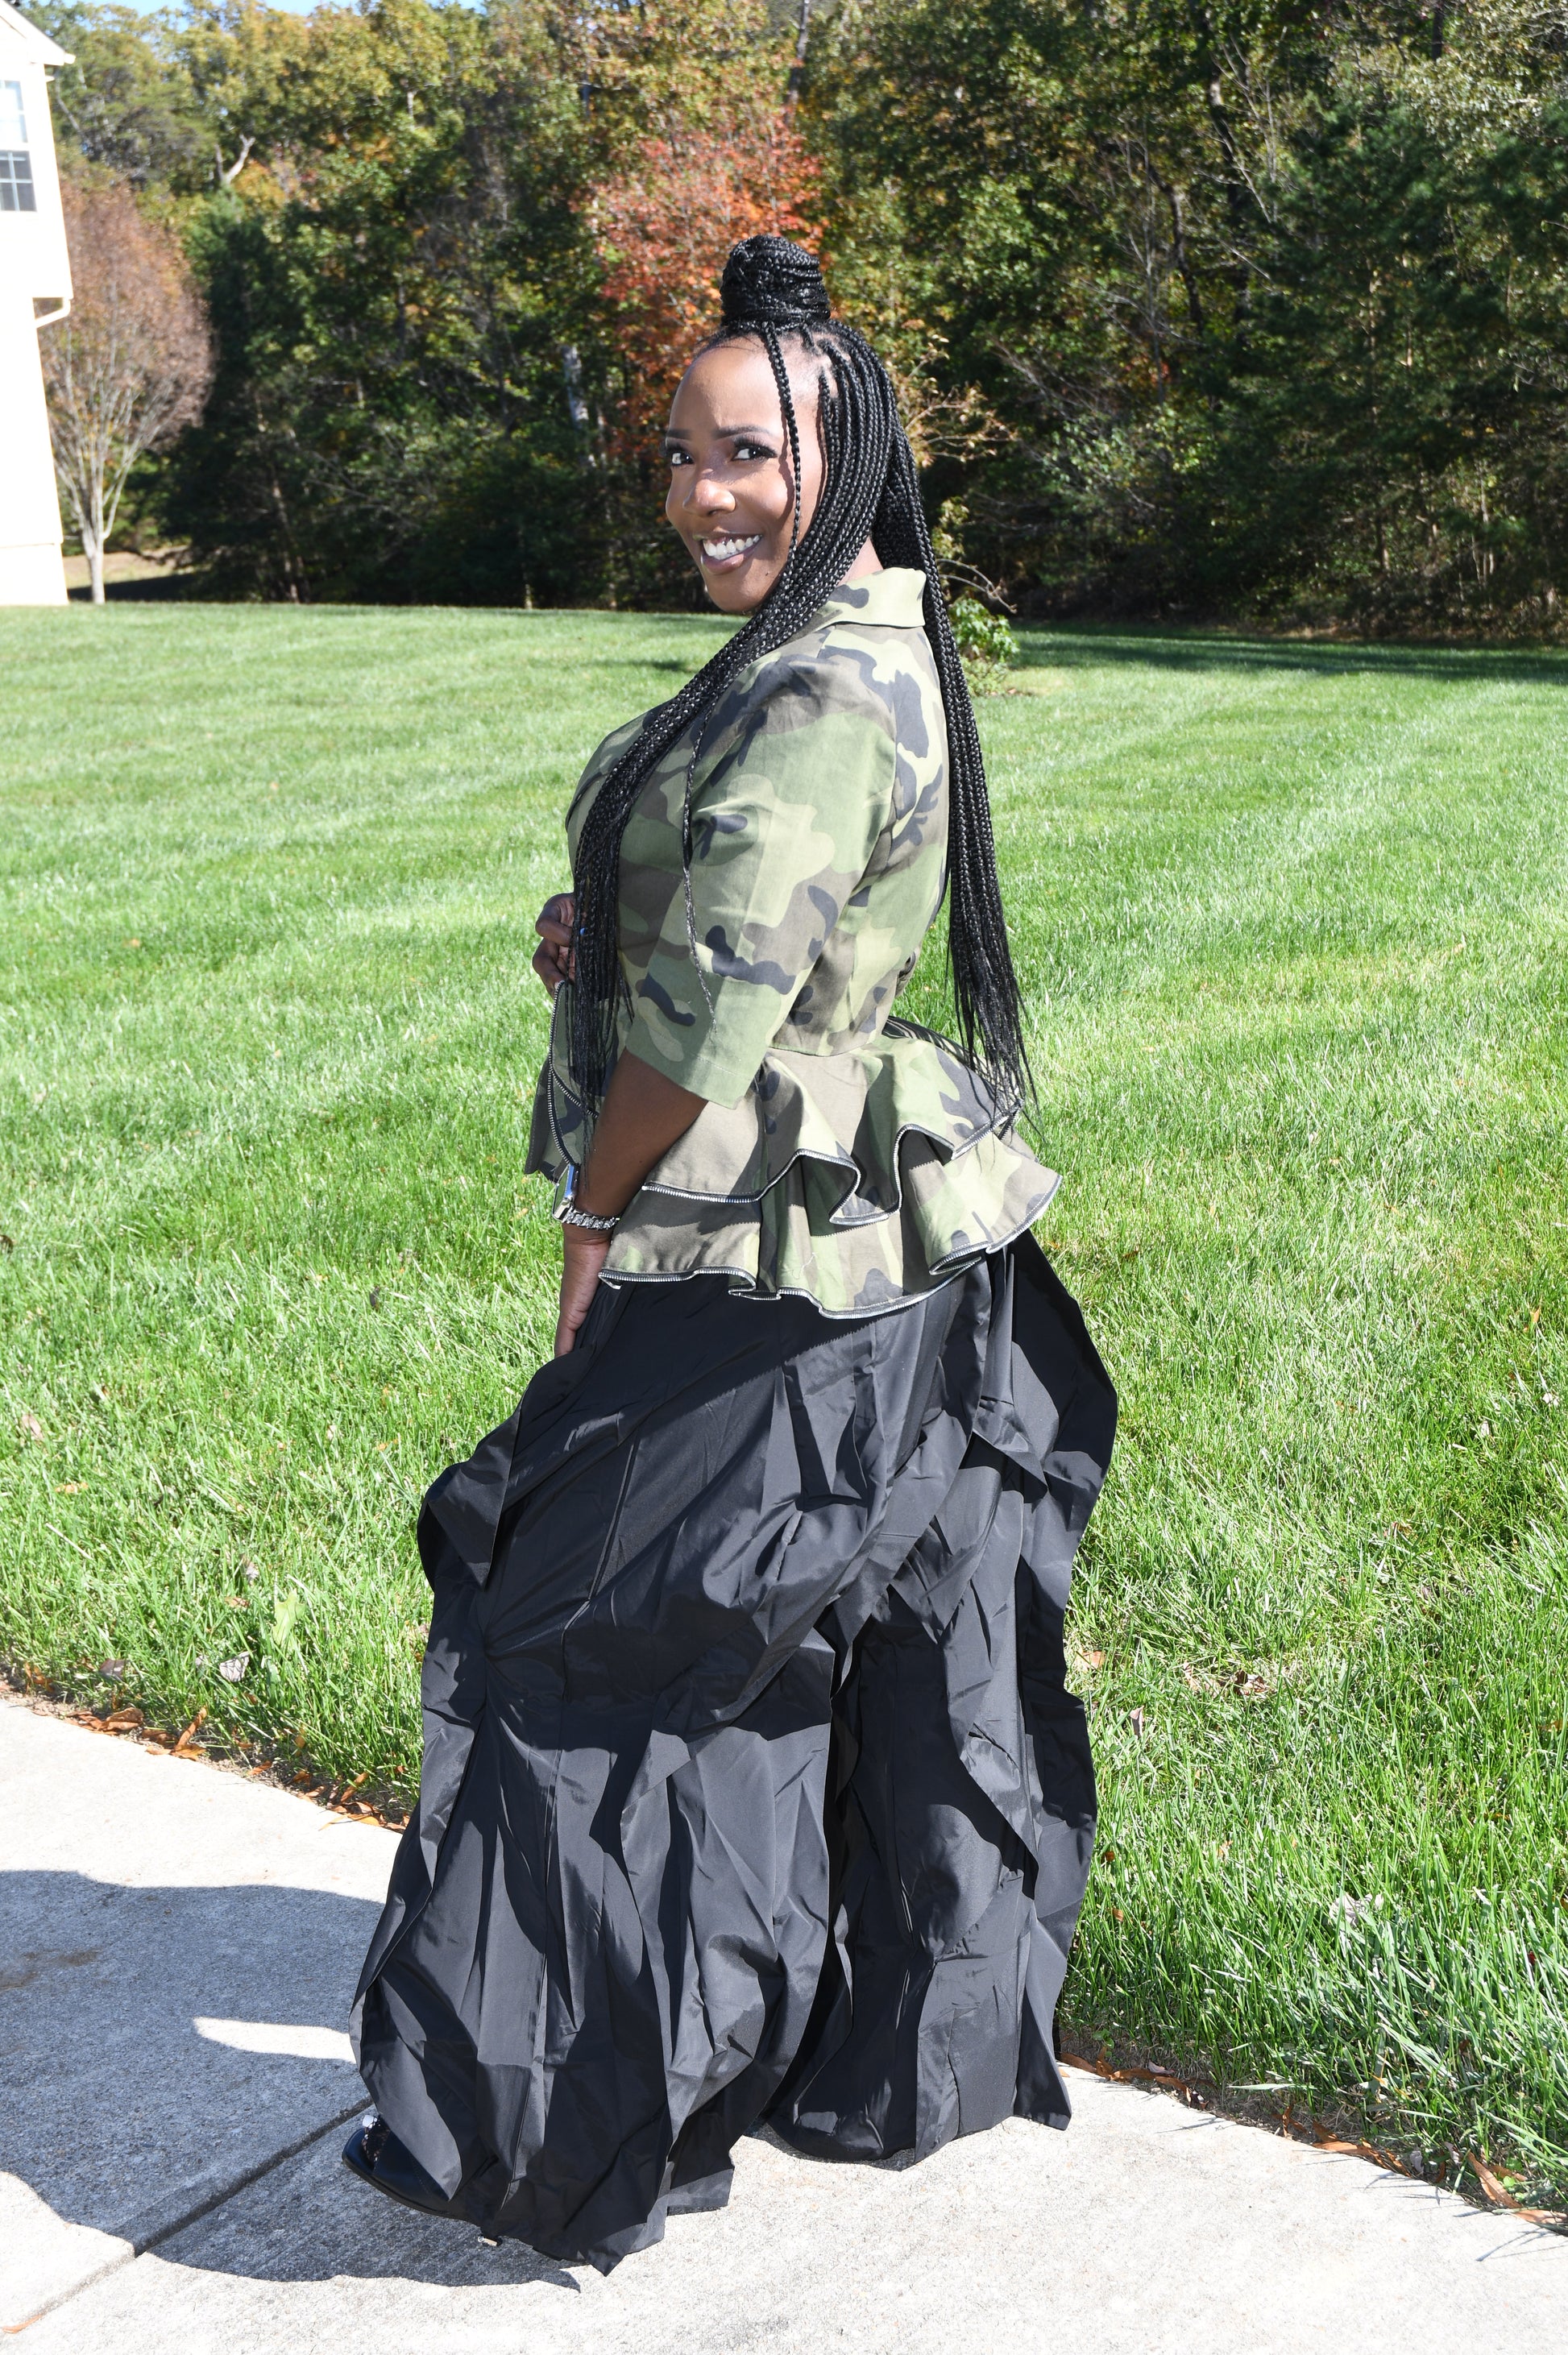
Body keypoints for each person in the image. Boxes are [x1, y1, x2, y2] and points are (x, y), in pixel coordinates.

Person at [344, 234, 1116, 2272]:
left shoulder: (826, 681)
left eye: (751, 454)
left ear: (842, 451)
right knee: (768, 1669)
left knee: (570, 1648)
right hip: (880, 1255)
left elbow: (708, 1026)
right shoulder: (841, 641)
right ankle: (748, 2054)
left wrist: (591, 1218)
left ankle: (554, 2115)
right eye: (684, 453)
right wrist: (595, 932)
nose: (704, 493)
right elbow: (733, 923)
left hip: (765, 1271)